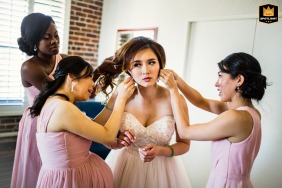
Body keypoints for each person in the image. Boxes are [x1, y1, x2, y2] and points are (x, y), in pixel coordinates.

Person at [11, 13, 121, 188]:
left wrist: (100, 72)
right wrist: (99, 72)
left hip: (65, 115)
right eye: (47, 37)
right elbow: (57, 91)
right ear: (33, 40)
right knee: (43, 166)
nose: (54, 40)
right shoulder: (29, 67)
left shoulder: (63, 59)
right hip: (41, 120)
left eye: (56, 35)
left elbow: (80, 88)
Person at [161, 52, 268, 187]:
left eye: (220, 76)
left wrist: (173, 90)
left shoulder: (236, 117)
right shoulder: (251, 113)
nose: (216, 83)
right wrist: (178, 81)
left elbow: (185, 132)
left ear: (239, 80)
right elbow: (202, 102)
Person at [29, 56, 135, 187]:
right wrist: (121, 100)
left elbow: (94, 126)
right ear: (71, 78)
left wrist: (113, 99)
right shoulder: (63, 108)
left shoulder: (54, 103)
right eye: (89, 77)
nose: (93, 83)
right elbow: (108, 136)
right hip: (71, 180)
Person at [101, 36, 192, 188]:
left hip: (163, 172)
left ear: (161, 65)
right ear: (129, 70)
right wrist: (117, 143)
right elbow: (100, 133)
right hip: (123, 166)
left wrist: (161, 150)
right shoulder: (122, 95)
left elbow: (184, 144)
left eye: (151, 62)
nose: (145, 71)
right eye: (137, 64)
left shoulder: (175, 99)